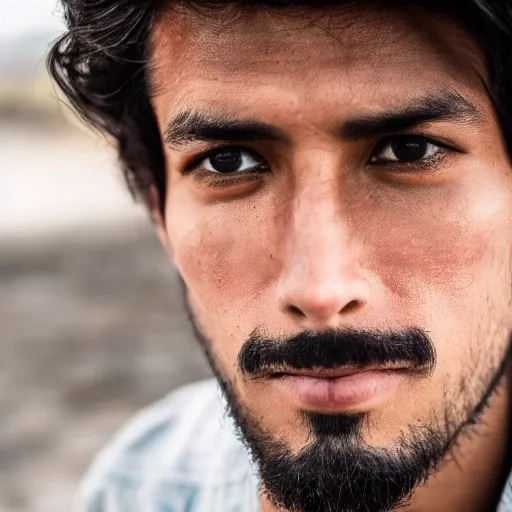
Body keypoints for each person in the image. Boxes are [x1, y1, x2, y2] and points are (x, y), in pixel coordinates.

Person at [48, 1, 512, 511]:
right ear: (160, 213)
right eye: (228, 162)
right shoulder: (140, 486)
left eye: (410, 151)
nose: (320, 291)